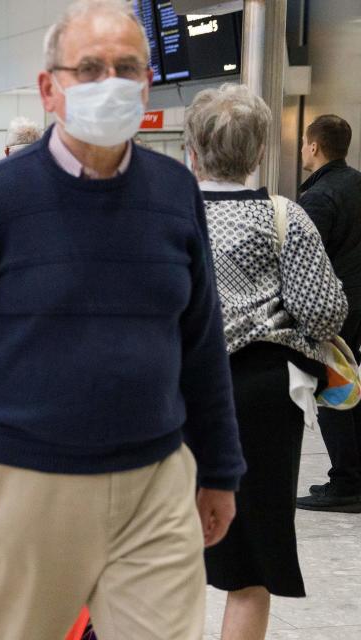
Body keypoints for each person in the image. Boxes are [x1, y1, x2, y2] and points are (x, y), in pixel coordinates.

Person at [0, 2, 246, 638]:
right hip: (28, 480)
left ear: (147, 83)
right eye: (89, 68)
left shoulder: (175, 191)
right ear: (50, 87)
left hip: (156, 479)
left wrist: (220, 469)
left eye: (127, 68)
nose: (110, 82)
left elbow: (201, 341)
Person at [186, 84, 347, 640]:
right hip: (257, 395)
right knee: (248, 565)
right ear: (259, 153)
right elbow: (325, 312)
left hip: (168, 391)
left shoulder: (163, 218)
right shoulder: (286, 219)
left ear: (191, 148)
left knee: (155, 554)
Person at [295, 114, 361, 513]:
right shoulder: (357, 183)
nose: (303, 149)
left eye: (305, 143)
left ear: (314, 146)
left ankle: (346, 484)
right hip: (359, 298)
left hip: (337, 304)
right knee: (350, 386)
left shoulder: (319, 197)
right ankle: (353, 477)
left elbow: (306, 261)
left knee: (331, 391)